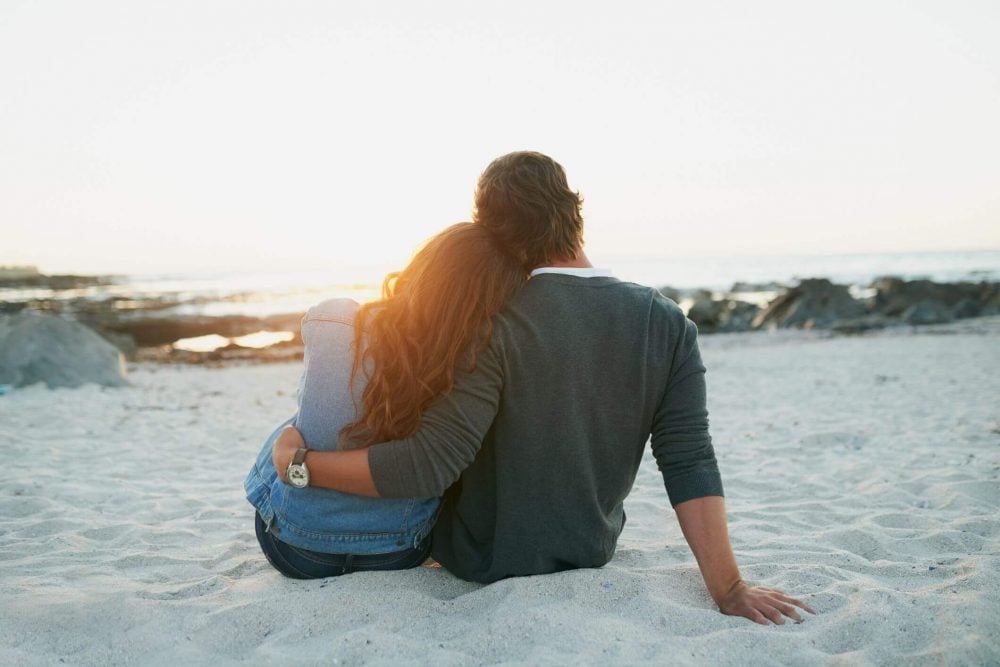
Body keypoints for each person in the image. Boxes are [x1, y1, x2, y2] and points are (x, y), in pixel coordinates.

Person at [271, 151, 815, 624]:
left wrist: (300, 464)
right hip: (589, 548)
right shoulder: (667, 323)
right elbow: (689, 459)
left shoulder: (490, 321)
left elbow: (427, 465)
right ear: (575, 212)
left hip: (477, 556)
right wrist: (729, 588)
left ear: (489, 230)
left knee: (292, 425)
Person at [245, 222, 525, 578]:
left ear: (424, 267)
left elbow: (317, 417)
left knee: (292, 426)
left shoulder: (335, 317)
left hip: (295, 550)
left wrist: (293, 460)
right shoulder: (470, 361)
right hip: (398, 552)